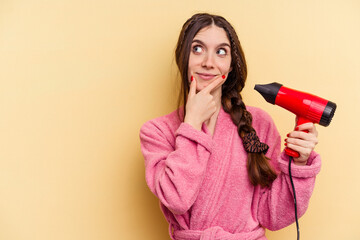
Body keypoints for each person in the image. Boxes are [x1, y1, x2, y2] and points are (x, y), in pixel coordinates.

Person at [139, 13, 320, 240]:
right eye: (197, 49)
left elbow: (272, 215)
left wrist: (300, 164)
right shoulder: (157, 132)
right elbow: (177, 199)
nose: (208, 62)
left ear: (231, 65)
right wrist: (192, 125)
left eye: (221, 51)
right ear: (182, 58)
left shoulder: (258, 124)